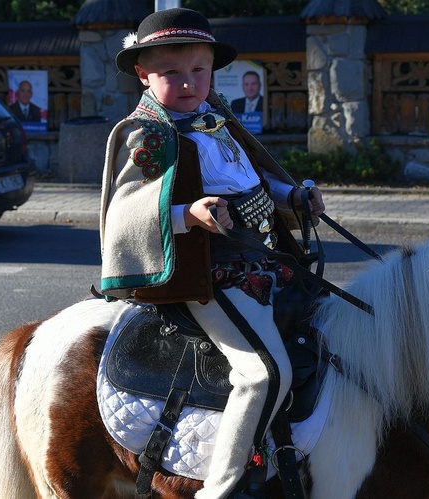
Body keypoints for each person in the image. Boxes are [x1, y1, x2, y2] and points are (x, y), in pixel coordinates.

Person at [99, 8, 324, 499]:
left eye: (198, 70)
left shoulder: (217, 118)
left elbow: (254, 182)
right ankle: (220, 488)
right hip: (209, 273)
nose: (188, 82)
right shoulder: (149, 134)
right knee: (263, 371)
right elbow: (124, 212)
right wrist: (186, 216)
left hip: (265, 263)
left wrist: (293, 198)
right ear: (143, 73)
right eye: (171, 72)